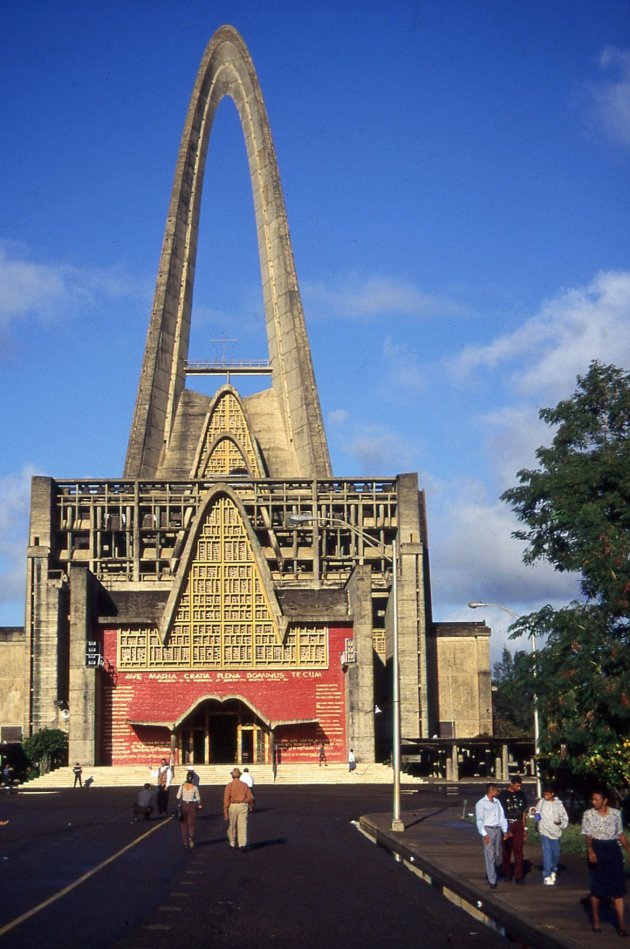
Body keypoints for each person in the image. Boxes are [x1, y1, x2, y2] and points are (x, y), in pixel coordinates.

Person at [581, 789, 630, 935]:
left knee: (618, 888)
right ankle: (596, 919)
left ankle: (621, 924)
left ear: (605, 800)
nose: (594, 802)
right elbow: (588, 835)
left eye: (596, 799)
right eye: (592, 799)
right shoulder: (588, 814)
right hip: (597, 848)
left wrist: (628, 849)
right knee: (597, 886)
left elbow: (620, 834)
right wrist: (590, 850)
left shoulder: (615, 814)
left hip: (612, 850)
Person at [534, 785, 569, 885]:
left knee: (556, 853)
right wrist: (536, 818)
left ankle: (554, 869)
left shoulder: (559, 804)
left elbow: (565, 817)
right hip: (544, 831)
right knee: (547, 852)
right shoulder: (541, 802)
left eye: (547, 794)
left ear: (552, 794)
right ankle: (547, 874)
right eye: (544, 794)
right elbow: (537, 813)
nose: (546, 796)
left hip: (556, 832)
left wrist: (560, 824)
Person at [475, 783, 508, 888]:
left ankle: (494, 873)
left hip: (497, 829)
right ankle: (492, 880)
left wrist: (505, 830)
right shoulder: (481, 803)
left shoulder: (497, 802)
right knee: (490, 855)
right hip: (488, 829)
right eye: (496, 790)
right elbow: (479, 820)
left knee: (497, 854)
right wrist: (484, 834)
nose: (498, 792)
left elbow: (502, 816)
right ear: (491, 791)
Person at [498, 775, 528, 884]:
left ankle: (518, 875)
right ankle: (507, 873)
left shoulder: (521, 795)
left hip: (518, 824)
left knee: (518, 851)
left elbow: (524, 812)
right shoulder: (502, 795)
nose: (518, 788)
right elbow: (500, 813)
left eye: (520, 786)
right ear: (511, 784)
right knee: (506, 851)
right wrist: (504, 828)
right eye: (517, 786)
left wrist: (524, 828)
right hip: (507, 823)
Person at [223, 767, 254, 850]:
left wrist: (225, 810)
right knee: (242, 825)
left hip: (232, 805)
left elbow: (226, 799)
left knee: (232, 825)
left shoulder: (229, 785)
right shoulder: (244, 785)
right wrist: (250, 805)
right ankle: (242, 843)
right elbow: (250, 797)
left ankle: (232, 843)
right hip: (243, 805)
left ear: (232, 776)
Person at [176, 770, 202, 849]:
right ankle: (191, 837)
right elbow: (198, 798)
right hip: (191, 806)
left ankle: (185, 842)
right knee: (192, 824)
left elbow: (178, 796)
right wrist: (199, 804)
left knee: (183, 825)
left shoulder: (182, 786)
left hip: (183, 805)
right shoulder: (194, 787)